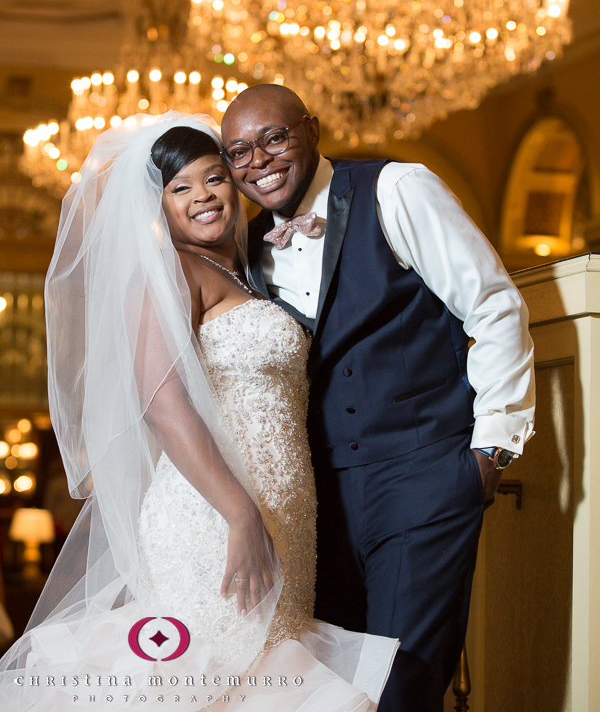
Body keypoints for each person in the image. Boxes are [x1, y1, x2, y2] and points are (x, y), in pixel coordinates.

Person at [0, 112, 397, 711]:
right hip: (213, 514)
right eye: (180, 188)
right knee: (213, 677)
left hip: (285, 509)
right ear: (157, 206)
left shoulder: (242, 270)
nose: (203, 197)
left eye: (213, 178)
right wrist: (239, 514)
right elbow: (162, 405)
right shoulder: (170, 272)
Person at [220, 84, 536, 712]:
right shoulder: (245, 249)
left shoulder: (398, 188)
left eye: (274, 138)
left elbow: (494, 305)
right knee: (332, 691)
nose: (259, 162)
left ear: (311, 130)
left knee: (402, 687)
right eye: (238, 153)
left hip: (424, 476)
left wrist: (491, 452)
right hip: (318, 506)